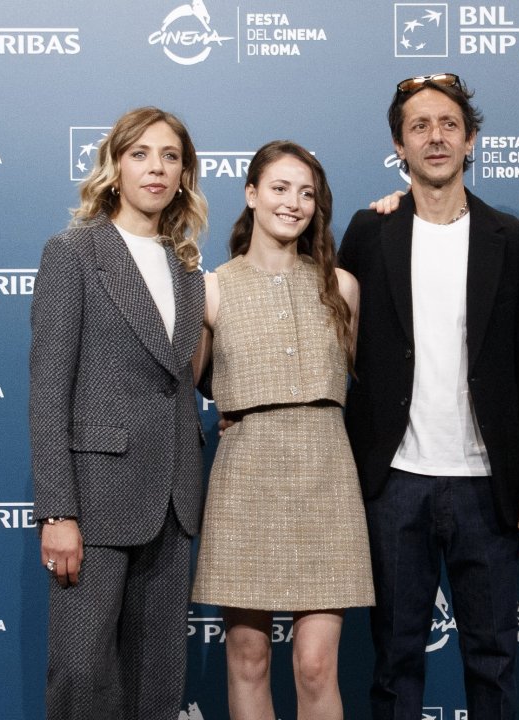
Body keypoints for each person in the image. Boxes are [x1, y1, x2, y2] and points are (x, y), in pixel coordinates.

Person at [338, 73, 519, 720]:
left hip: (485, 486)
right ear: (399, 148)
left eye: (448, 125)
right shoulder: (368, 232)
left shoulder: (510, 240)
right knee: (394, 662)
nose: (435, 137)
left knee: (493, 664)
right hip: (395, 482)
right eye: (419, 127)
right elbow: (333, 345)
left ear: (471, 139)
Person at [29, 106, 208, 720]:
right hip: (95, 498)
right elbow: (49, 390)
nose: (156, 168)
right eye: (141, 154)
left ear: (184, 173)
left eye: (170, 156)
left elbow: (178, 384)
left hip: (172, 500)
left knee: (157, 679)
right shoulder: (73, 252)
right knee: (83, 675)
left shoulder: (186, 266)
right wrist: (57, 511)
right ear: (115, 165)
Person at [191, 140, 373, 720]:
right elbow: (193, 385)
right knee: (248, 659)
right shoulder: (211, 288)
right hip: (245, 479)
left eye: (307, 193)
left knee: (316, 665)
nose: (293, 203)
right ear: (250, 195)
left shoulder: (341, 286)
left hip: (325, 476)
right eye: (279, 188)